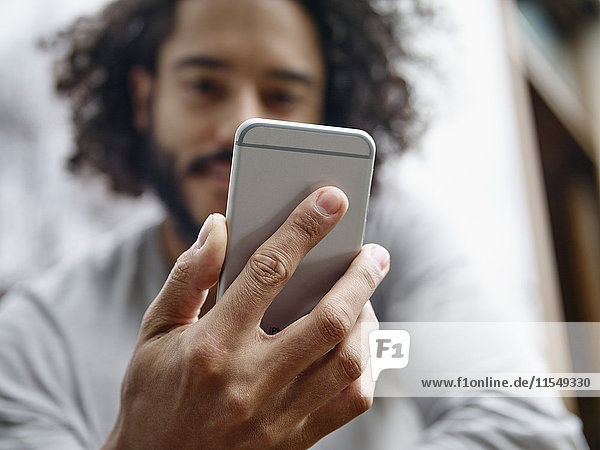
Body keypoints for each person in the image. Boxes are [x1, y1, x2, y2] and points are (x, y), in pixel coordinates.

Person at [0, 0, 588, 448]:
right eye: (203, 85)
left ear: (324, 112)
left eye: (281, 94)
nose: (238, 124)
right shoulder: (35, 334)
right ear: (142, 98)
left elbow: (529, 428)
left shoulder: (391, 246)